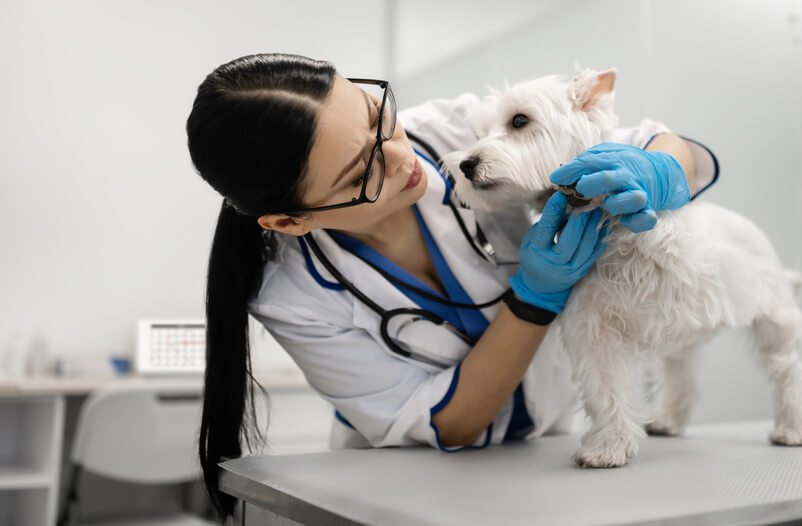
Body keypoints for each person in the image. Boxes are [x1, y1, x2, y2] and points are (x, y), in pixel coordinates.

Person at [185, 53, 718, 518]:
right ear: (289, 221)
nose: (402, 157)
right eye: (361, 173)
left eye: (378, 117)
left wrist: (661, 170)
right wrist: (533, 300)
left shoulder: (453, 128)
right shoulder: (292, 295)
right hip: (406, 492)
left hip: (550, 458)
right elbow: (449, 421)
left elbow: (674, 149)